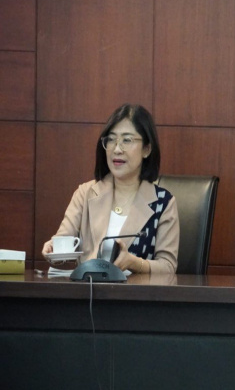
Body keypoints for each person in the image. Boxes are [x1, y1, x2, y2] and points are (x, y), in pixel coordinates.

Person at [42, 104, 179, 276]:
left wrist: (135, 263)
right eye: (111, 140)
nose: (117, 149)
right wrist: (52, 249)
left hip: (136, 291)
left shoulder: (163, 203)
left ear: (146, 149)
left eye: (127, 140)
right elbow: (63, 241)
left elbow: (168, 266)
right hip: (90, 289)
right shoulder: (85, 193)